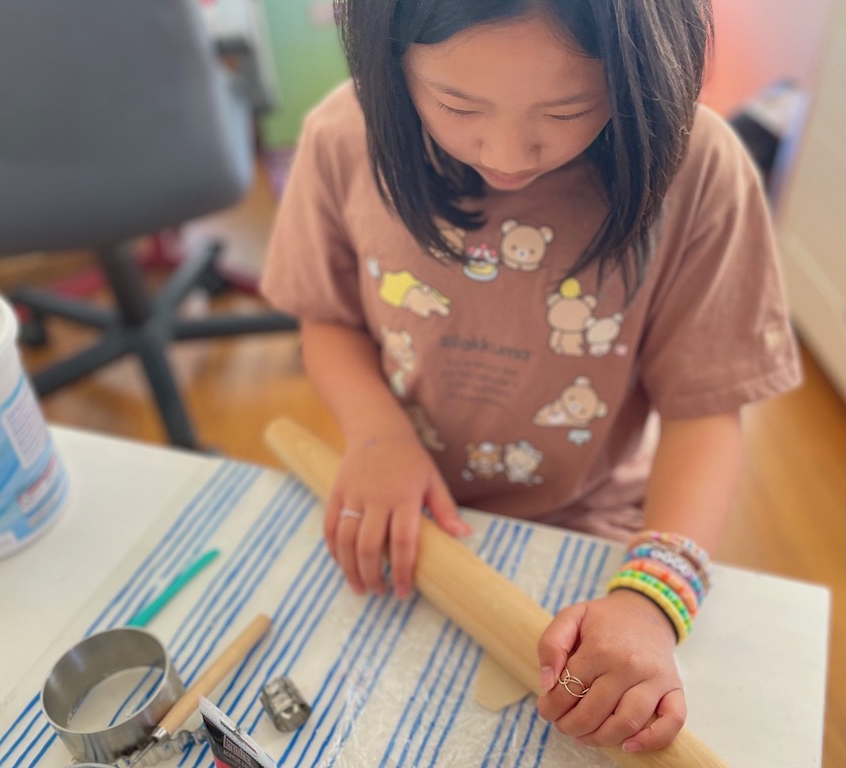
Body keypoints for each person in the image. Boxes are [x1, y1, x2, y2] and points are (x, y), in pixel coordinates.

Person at [261, 0, 801, 755]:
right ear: (391, 65)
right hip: (412, 508)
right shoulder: (343, 139)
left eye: (569, 106)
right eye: (456, 103)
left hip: (594, 524)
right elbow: (328, 319)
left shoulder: (699, 171)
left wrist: (653, 599)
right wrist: (378, 435)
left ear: (643, 70)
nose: (509, 152)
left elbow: (703, 410)